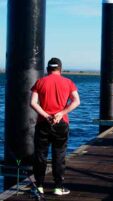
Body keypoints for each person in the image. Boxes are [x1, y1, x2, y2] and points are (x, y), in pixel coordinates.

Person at [30, 58, 80, 196]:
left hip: (43, 123)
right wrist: (62, 113)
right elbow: (77, 101)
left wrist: (46, 116)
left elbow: (33, 103)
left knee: (40, 155)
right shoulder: (68, 82)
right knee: (59, 155)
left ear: (47, 69)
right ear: (60, 69)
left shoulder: (40, 82)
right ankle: (58, 187)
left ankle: (39, 186)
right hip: (61, 123)